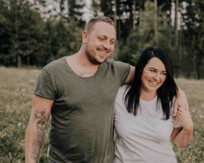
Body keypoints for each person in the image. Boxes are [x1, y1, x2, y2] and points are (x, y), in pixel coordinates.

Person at [25, 16, 188, 163]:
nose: (107, 46)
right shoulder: (53, 72)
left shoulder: (116, 71)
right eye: (102, 38)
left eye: (111, 41)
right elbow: (37, 122)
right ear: (85, 36)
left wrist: (179, 93)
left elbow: (151, 76)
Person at [114, 47, 193, 163]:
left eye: (163, 73)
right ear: (140, 69)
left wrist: (189, 128)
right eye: (152, 70)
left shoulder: (172, 101)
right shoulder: (119, 96)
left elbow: (178, 141)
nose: (157, 78)